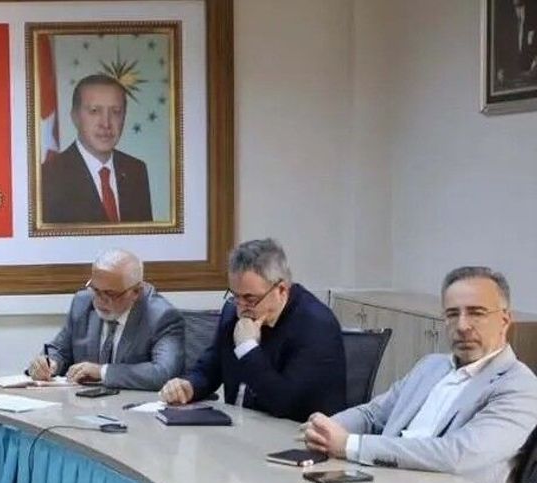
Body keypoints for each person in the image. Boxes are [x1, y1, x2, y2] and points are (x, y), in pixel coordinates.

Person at [304, 267, 537, 483]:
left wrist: (350, 445)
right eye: (452, 314)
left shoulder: (520, 387)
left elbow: (457, 455)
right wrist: (324, 430)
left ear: (505, 320)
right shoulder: (431, 366)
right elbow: (372, 414)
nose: (462, 326)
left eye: (477, 313)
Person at [159, 238, 345, 422]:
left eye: (250, 299)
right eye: (235, 296)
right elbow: (210, 368)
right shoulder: (233, 311)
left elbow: (285, 403)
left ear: (281, 290)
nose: (241, 308)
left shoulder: (316, 326)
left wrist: (247, 348)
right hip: (240, 428)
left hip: (298, 433)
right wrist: (189, 386)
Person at [27, 249, 183, 389]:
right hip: (83, 405)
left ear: (136, 292)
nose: (100, 300)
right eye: (95, 290)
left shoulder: (162, 316)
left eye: (110, 294)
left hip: (132, 407)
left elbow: (163, 373)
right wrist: (49, 363)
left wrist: (102, 372)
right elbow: (60, 350)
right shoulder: (83, 303)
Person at [40, 74, 152, 224]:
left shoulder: (136, 170)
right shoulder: (48, 177)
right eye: (94, 111)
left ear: (124, 117)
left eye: (116, 111)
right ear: (75, 116)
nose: (106, 123)